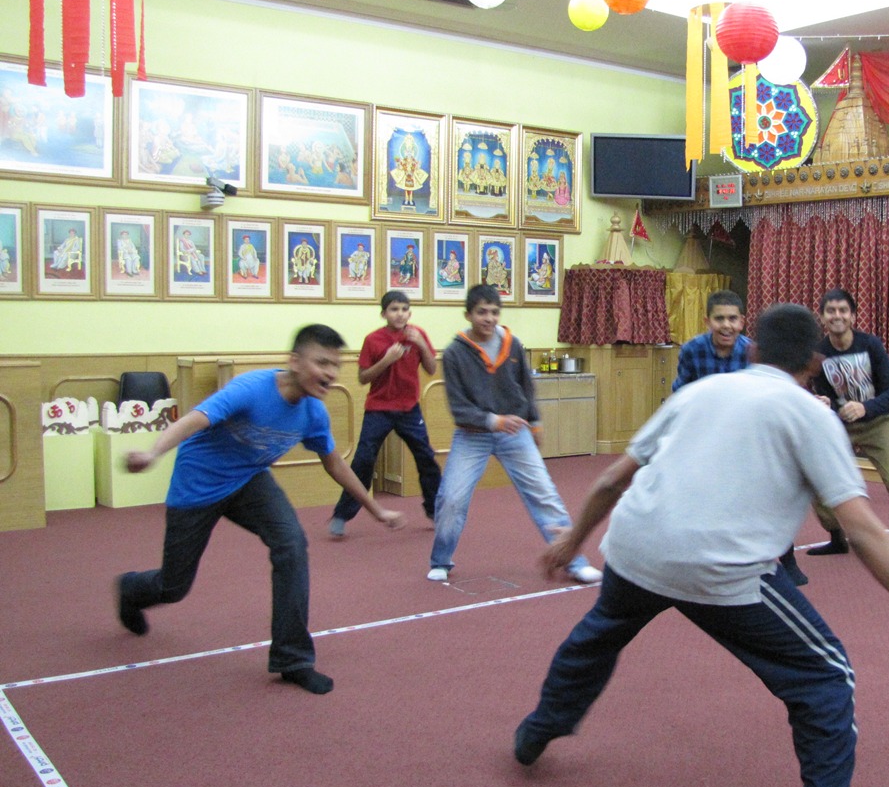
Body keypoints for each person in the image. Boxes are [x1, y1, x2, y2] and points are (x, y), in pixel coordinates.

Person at [514, 303, 889, 787]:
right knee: (826, 678)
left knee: (597, 636)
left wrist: (572, 539)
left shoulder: (697, 394)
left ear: (751, 348)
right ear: (815, 362)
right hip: (722, 573)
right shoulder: (811, 415)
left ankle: (538, 729)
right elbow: (865, 530)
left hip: (635, 548)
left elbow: (612, 479)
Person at [115, 325, 407, 693]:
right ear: (294, 361)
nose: (330, 374)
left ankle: (293, 658)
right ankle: (132, 589)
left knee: (291, 544)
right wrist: (152, 453)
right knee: (174, 586)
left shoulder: (313, 413)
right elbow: (194, 420)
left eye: (336, 365)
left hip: (249, 481)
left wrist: (375, 510)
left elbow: (335, 464)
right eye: (321, 363)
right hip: (198, 485)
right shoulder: (251, 389)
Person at [429, 284, 600, 586]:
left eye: (494, 312)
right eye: (481, 312)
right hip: (473, 434)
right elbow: (458, 408)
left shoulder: (513, 344)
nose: (489, 318)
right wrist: (492, 421)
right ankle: (441, 560)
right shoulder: (455, 353)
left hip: (516, 431)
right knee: (451, 498)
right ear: (468, 314)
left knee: (544, 494)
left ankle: (574, 561)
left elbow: (526, 387)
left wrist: (534, 421)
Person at [673, 289, 807, 586]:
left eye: (732, 318)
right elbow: (681, 396)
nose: (726, 325)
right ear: (707, 321)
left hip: (747, 438)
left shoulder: (754, 353)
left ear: (743, 321)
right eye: (719, 319)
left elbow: (772, 395)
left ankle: (786, 558)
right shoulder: (691, 351)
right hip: (706, 438)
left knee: (767, 498)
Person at [807, 288, 889, 568]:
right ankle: (837, 537)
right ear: (823, 317)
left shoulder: (870, 345)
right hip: (840, 426)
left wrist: (866, 407)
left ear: (853, 316)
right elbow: (824, 395)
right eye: (831, 311)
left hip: (877, 423)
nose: (837, 316)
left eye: (843, 311)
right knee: (819, 479)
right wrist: (828, 406)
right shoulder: (818, 354)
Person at [329, 291, 441, 537]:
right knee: (363, 460)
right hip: (379, 409)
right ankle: (341, 515)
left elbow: (432, 368)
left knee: (426, 458)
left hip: (409, 409)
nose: (399, 313)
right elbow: (362, 377)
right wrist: (387, 360)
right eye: (393, 309)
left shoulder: (418, 335)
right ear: (384, 314)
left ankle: (435, 510)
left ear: (409, 313)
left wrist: (421, 344)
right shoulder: (373, 339)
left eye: (404, 309)